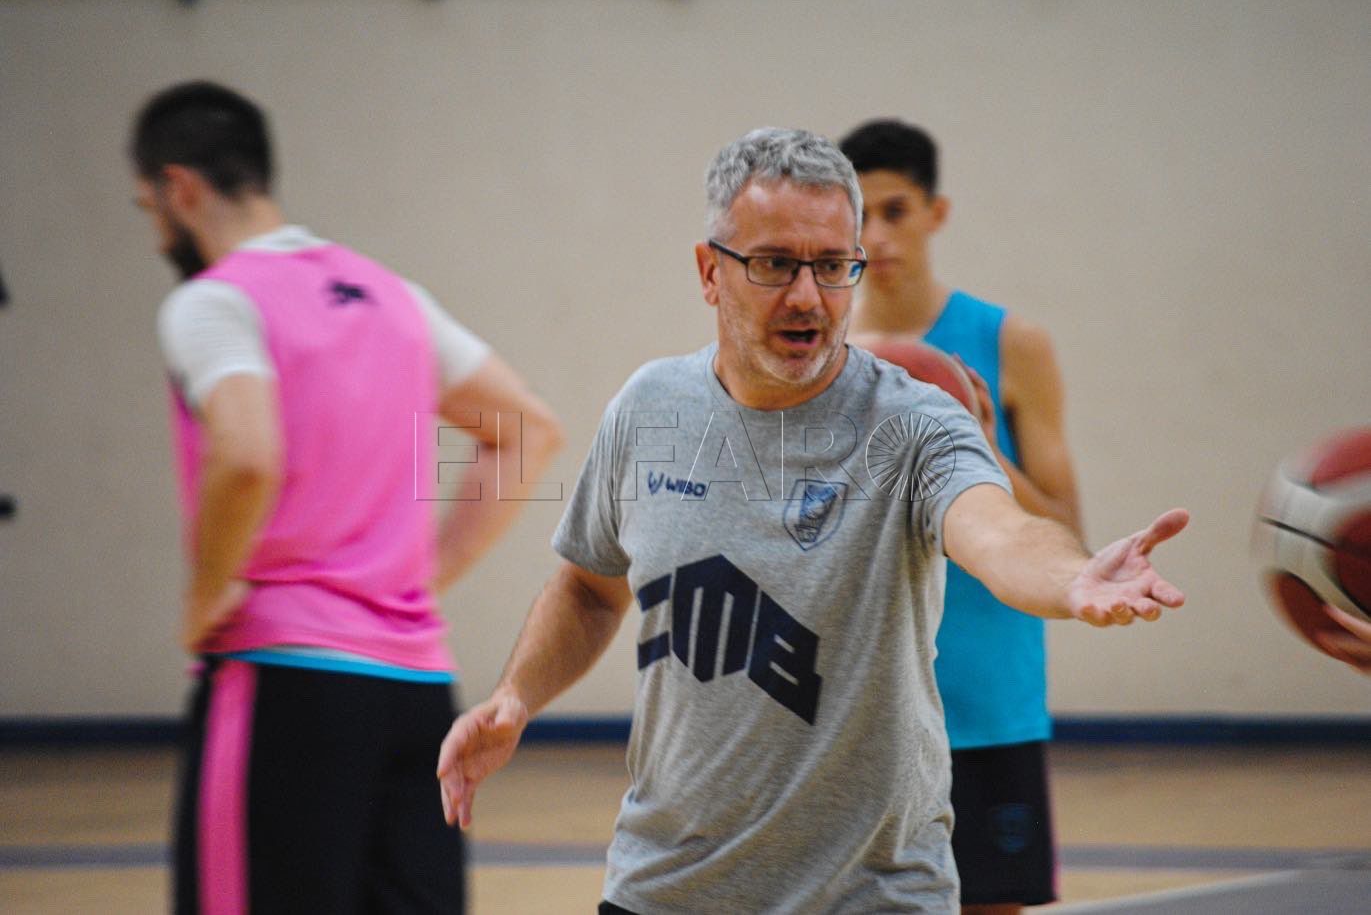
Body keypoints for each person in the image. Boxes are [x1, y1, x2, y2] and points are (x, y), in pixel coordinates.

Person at [436, 127, 1188, 914]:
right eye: (773, 264)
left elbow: (996, 532)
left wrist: (1072, 577)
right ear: (708, 271)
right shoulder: (649, 408)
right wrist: (516, 694)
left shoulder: (912, 421)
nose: (806, 296)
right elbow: (591, 588)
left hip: (868, 894)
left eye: (832, 267)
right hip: (662, 887)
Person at [130, 80, 563, 913]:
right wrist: (416, 581)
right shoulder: (392, 296)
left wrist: (203, 596)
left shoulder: (211, 302)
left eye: (149, 206)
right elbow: (526, 430)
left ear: (180, 188)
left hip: (281, 680)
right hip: (416, 695)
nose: (154, 229)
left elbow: (248, 452)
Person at [839, 118, 1079, 914]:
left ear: (936, 212)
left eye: (896, 210)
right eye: (859, 215)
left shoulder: (1009, 342)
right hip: (866, 709)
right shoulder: (820, 352)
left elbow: (1065, 532)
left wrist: (981, 448)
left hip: (986, 700)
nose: (876, 235)